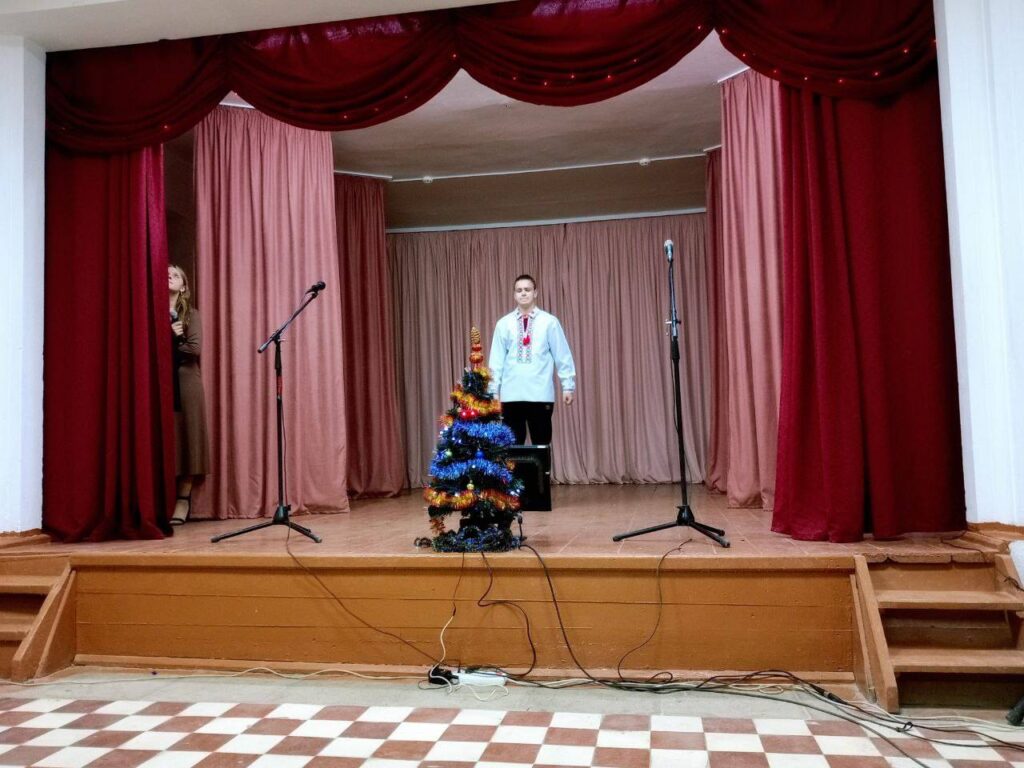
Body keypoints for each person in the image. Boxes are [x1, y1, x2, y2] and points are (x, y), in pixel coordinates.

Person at [488, 274, 576, 445]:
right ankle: (516, 466)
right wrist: (494, 391)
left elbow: (562, 354)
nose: (523, 293)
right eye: (519, 290)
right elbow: (496, 360)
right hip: (511, 395)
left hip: (540, 394)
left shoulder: (549, 322)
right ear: (514, 294)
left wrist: (568, 386)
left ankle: (542, 466)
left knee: (541, 444)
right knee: (512, 446)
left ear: (535, 293)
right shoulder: (503, 324)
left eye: (527, 289)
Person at [169, 264, 210, 525]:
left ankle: (182, 499)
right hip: (161, 381)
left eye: (175, 275)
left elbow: (194, 350)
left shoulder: (190, 315)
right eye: (165, 274)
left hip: (186, 382)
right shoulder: (149, 310)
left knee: (188, 438)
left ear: (184, 286)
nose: (169, 277)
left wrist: (176, 339)